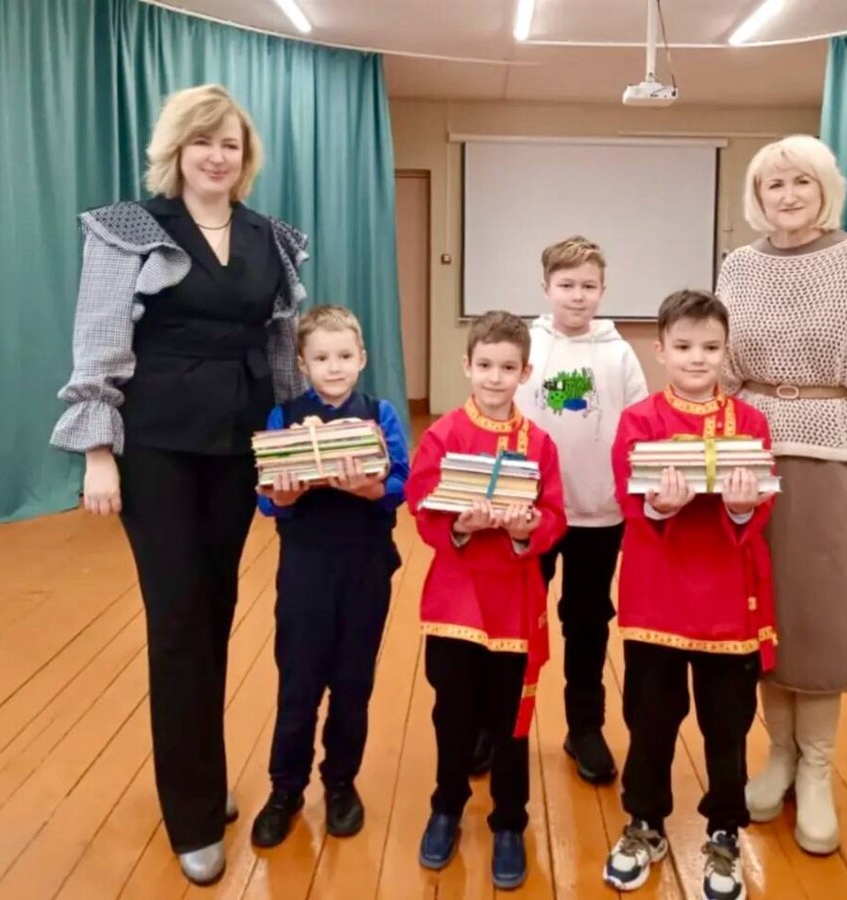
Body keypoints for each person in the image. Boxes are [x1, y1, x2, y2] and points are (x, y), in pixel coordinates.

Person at [50, 84, 308, 885]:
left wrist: (296, 440)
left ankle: (201, 767)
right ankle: (191, 812)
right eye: (203, 141)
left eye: (230, 143)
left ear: (245, 155)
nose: (216, 156)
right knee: (176, 620)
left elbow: (281, 348)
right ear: (176, 149)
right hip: (155, 445)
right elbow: (98, 337)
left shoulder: (272, 237)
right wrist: (98, 452)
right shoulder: (130, 227)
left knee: (216, 610)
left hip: (237, 445)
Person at [717, 134, 847, 855]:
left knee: (825, 618)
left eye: (802, 181)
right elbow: (720, 368)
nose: (788, 194)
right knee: (765, 612)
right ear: (758, 196)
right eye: (773, 184)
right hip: (752, 461)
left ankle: (817, 770)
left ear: (826, 188)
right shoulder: (738, 266)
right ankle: (777, 755)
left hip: (838, 462)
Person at [603, 289, 776, 900]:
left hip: (728, 602)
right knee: (650, 719)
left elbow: (761, 505)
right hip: (657, 596)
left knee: (727, 726)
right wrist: (658, 505)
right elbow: (628, 498)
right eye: (683, 347)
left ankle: (724, 832)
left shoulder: (750, 423)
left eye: (709, 347)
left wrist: (741, 506)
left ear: (726, 351)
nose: (696, 359)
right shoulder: (639, 421)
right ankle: (644, 823)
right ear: (661, 350)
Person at [405, 311, 566, 890]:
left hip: (513, 604)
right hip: (454, 602)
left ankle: (509, 821)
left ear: (525, 372)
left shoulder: (539, 443)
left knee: (510, 719)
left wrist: (526, 529)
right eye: (485, 366)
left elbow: (555, 515)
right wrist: (460, 525)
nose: (495, 378)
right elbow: (421, 503)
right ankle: (446, 807)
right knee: (451, 713)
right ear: (467, 366)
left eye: (507, 368)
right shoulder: (444, 434)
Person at [249, 305, 409, 848]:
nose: (334, 367)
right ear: (302, 363)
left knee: (353, 681)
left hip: (366, 566)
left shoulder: (380, 413)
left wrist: (372, 488)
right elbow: (267, 498)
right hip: (305, 568)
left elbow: (402, 481)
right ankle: (285, 788)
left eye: (344, 355)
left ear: (362, 358)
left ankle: (341, 782)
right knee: (298, 681)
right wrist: (284, 495)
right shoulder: (284, 417)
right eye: (321, 358)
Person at [498, 235, 646, 785]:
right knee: (516, 619)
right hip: (531, 514)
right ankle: (500, 724)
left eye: (588, 286)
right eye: (566, 285)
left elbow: (638, 430)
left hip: (598, 513)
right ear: (545, 288)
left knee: (587, 622)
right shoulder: (526, 347)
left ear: (603, 289)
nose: (578, 296)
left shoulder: (619, 353)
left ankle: (585, 726)